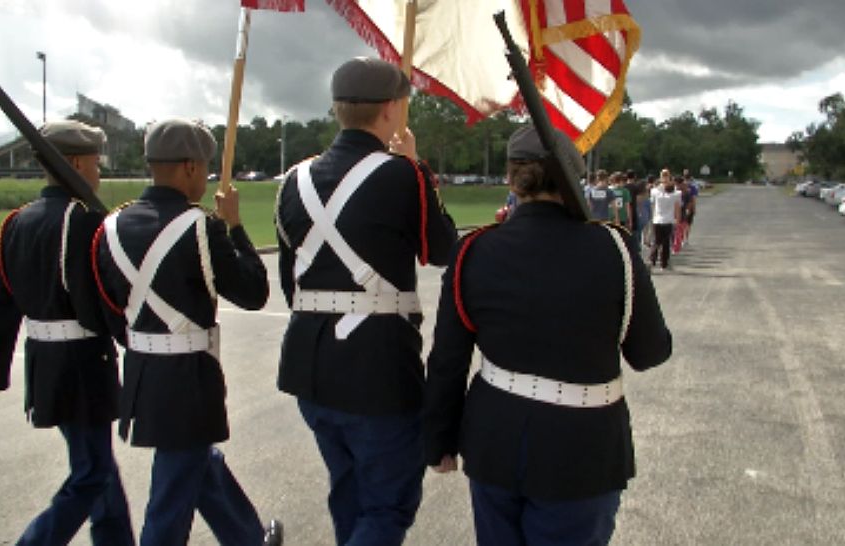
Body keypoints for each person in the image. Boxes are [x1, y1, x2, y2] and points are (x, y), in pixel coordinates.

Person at [422, 125, 672, 546]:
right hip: (581, 451)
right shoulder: (614, 247)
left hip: (494, 443)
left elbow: (448, 360)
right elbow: (649, 352)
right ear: (573, 179)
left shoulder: (476, 250)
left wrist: (438, 441)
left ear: (511, 178)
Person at [274, 57, 457, 545]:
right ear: (393, 110)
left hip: (309, 366)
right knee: (387, 506)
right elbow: (443, 250)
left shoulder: (294, 179)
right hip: (376, 372)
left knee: (350, 494)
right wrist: (418, 167)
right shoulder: (404, 175)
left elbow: (290, 284)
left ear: (337, 109)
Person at [91, 119, 282, 546]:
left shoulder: (112, 226)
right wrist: (234, 226)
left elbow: (106, 303)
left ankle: (248, 538)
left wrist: (144, 345)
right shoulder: (202, 227)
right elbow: (253, 292)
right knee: (172, 493)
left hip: (141, 370)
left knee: (198, 462)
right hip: (189, 377)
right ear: (191, 167)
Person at [0, 119, 135, 546]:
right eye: (95, 163)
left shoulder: (16, 223)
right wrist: (139, 342)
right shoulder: (81, 220)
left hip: (44, 363)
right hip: (82, 365)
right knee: (91, 473)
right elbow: (101, 298)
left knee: (98, 468)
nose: (98, 172)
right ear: (75, 163)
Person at [649, 169, 682, 270]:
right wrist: (678, 220)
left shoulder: (655, 191)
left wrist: (652, 217)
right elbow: (677, 208)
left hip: (657, 219)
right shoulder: (676, 193)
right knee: (666, 243)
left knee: (656, 241)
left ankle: (652, 260)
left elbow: (653, 205)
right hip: (668, 220)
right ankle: (664, 263)